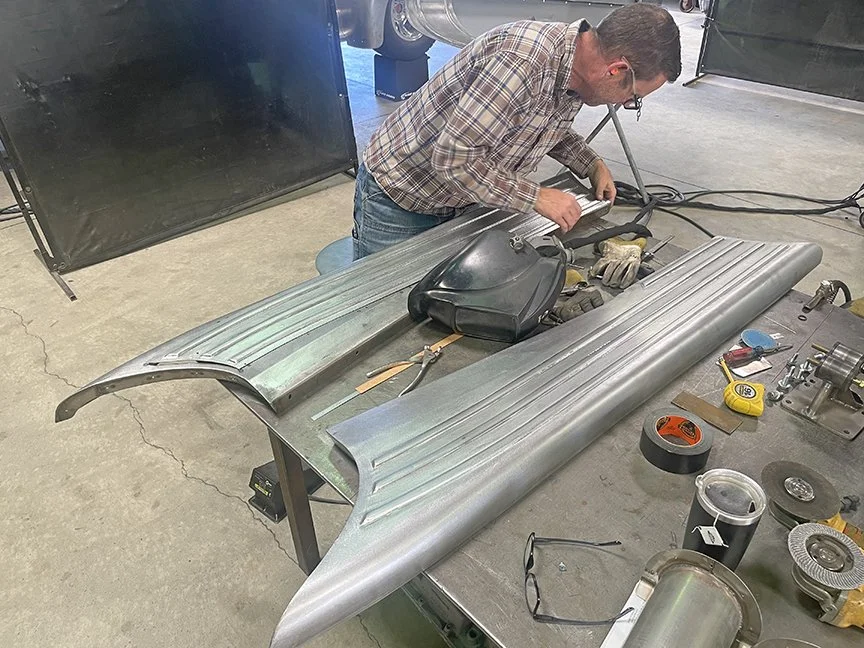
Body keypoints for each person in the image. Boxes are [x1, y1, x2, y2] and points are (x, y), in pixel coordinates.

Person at [353, 3, 681, 259]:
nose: (626, 104)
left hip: (463, 198)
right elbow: (454, 159)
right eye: (633, 97)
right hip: (403, 194)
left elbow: (537, 122)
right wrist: (535, 196)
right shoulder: (522, 62)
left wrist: (590, 163)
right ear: (616, 70)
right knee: (380, 314)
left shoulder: (575, 71)